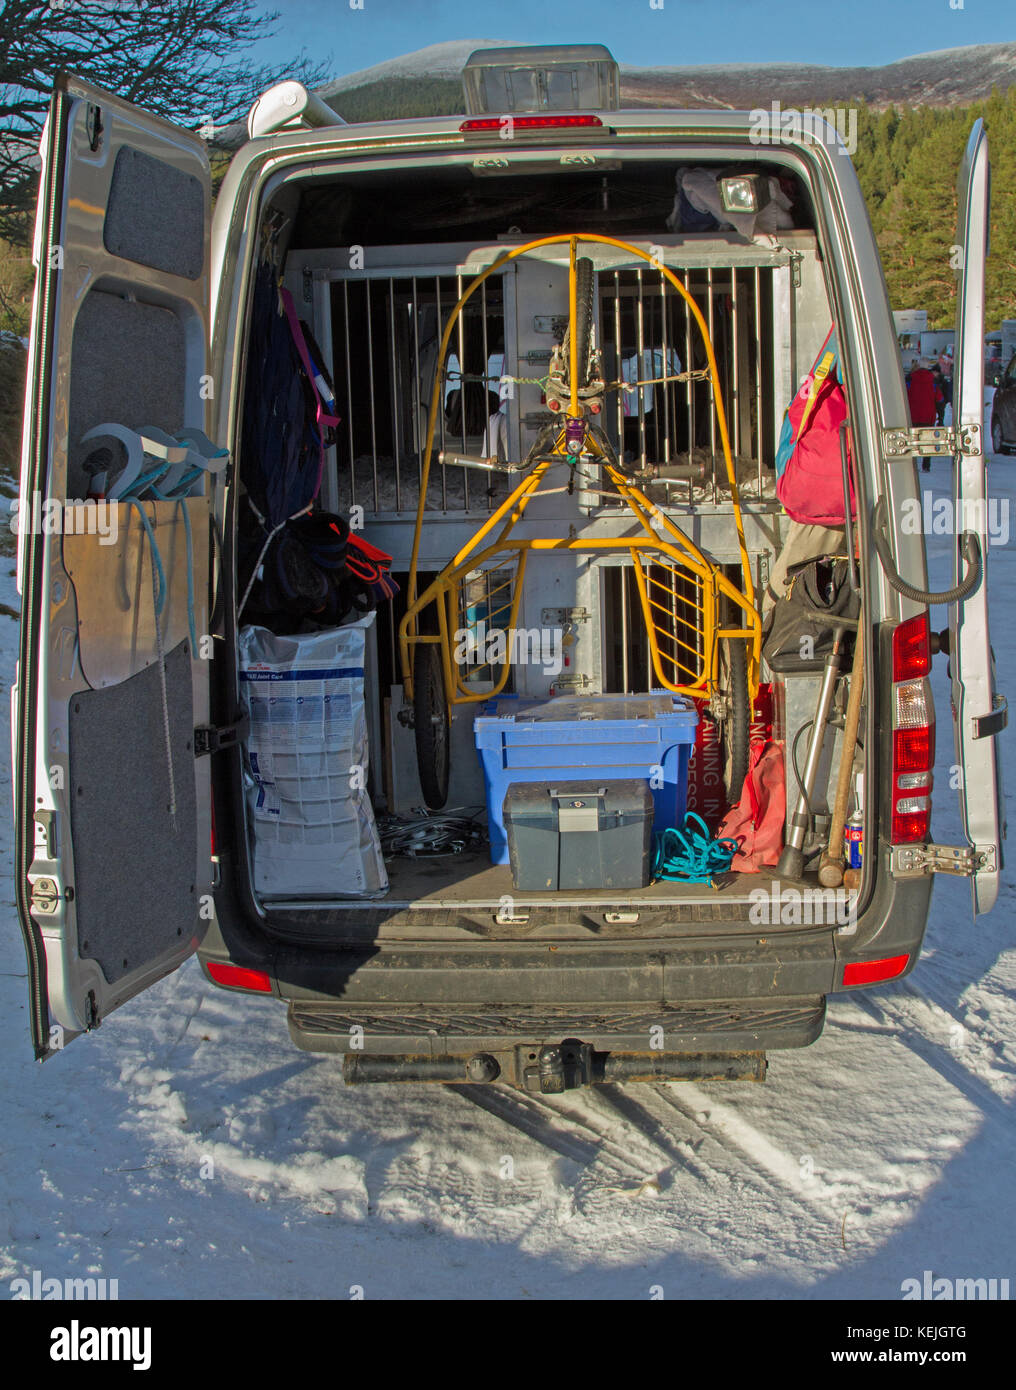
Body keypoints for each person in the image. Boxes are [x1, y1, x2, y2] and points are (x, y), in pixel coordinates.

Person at [906, 358, 943, 472]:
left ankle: (910, 464)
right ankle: (926, 465)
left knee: (911, 440)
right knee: (928, 441)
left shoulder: (910, 379)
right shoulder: (933, 381)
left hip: (912, 415)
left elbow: (904, 395)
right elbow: (940, 399)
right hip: (928, 416)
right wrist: (940, 416)